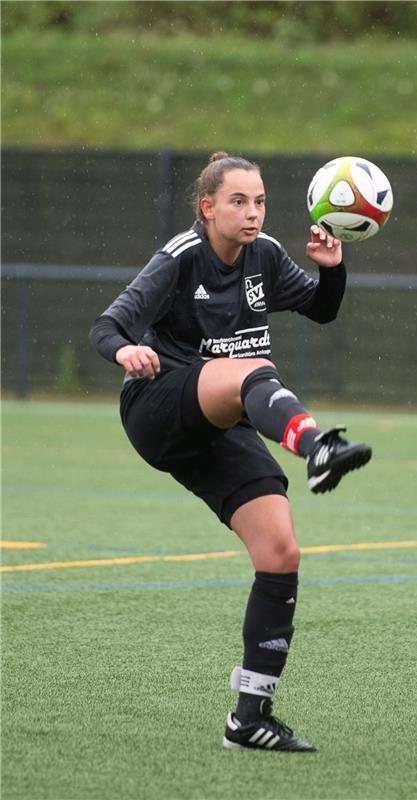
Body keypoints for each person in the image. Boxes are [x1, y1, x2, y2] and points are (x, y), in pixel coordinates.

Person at [89, 151, 373, 752]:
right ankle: (317, 445)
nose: (252, 213)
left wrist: (333, 268)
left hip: (224, 421)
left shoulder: (264, 254)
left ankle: (250, 717)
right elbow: (106, 327)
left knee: (280, 550)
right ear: (207, 206)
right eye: (239, 201)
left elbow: (322, 308)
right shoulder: (179, 258)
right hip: (159, 406)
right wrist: (124, 353)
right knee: (249, 368)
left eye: (261, 200)